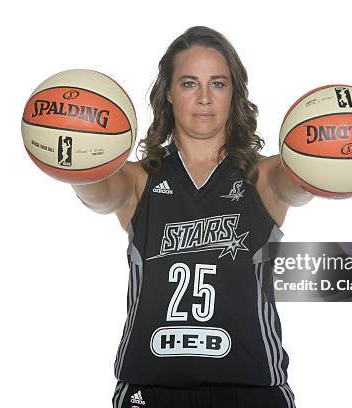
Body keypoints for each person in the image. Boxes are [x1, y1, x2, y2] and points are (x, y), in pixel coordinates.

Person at [72, 26, 313, 408]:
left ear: (234, 92)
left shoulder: (262, 177)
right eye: (189, 83)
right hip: (150, 391)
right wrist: (74, 159)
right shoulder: (140, 180)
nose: (203, 98)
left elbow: (304, 178)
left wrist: (331, 160)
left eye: (217, 83)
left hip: (251, 390)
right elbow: (98, 192)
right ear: (168, 92)